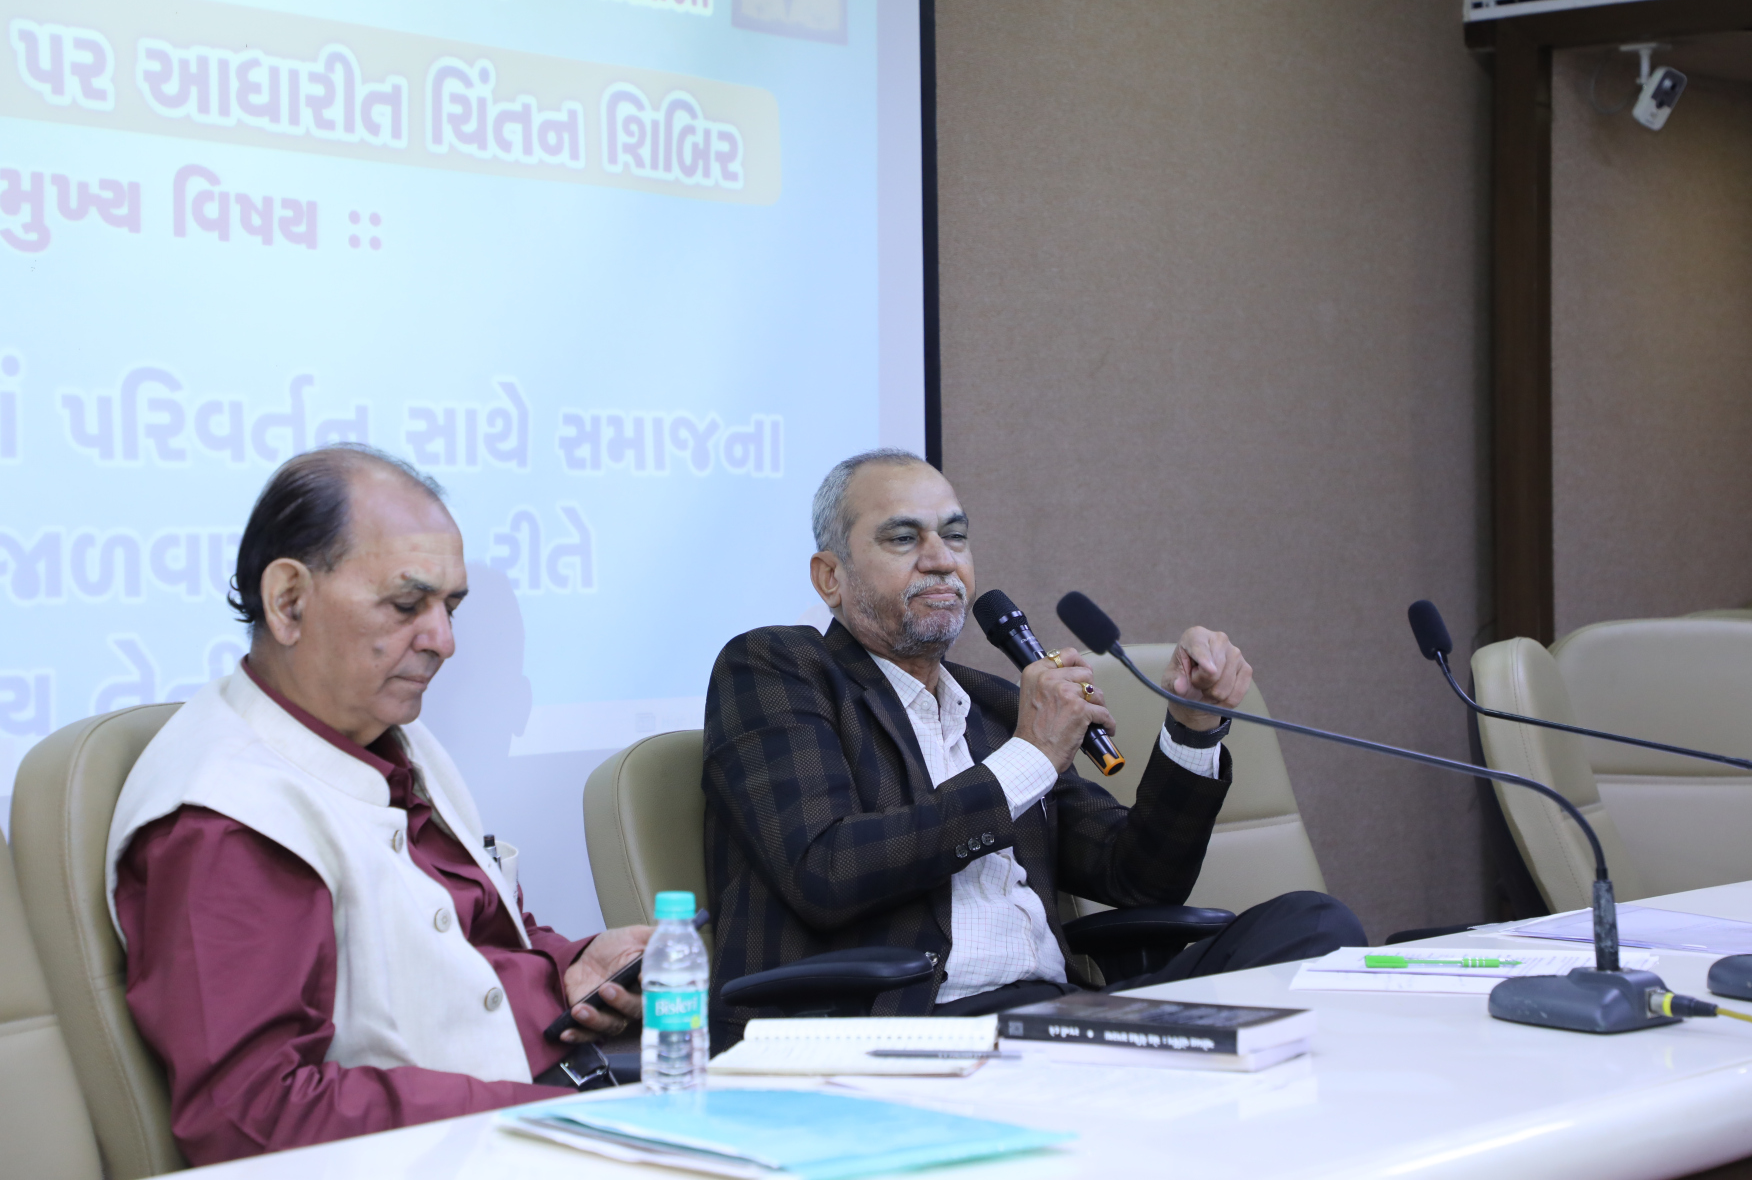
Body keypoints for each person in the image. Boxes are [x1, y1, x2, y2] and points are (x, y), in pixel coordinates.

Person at [702, 448, 1364, 1044]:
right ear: (830, 577)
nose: (941, 559)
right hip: (906, 1029)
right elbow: (825, 871)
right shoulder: (775, 668)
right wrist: (1031, 756)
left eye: (955, 536)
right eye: (903, 538)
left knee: (1314, 926)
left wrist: (1192, 728)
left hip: (1055, 1014)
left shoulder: (993, 705)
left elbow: (1140, 877)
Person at [106, 445, 647, 1165]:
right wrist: (556, 1121)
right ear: (289, 601)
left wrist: (569, 963)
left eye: (451, 607)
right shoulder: (225, 820)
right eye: (406, 605)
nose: (444, 641)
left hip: (565, 1095)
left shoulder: (395, 742)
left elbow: (465, 940)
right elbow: (250, 1114)